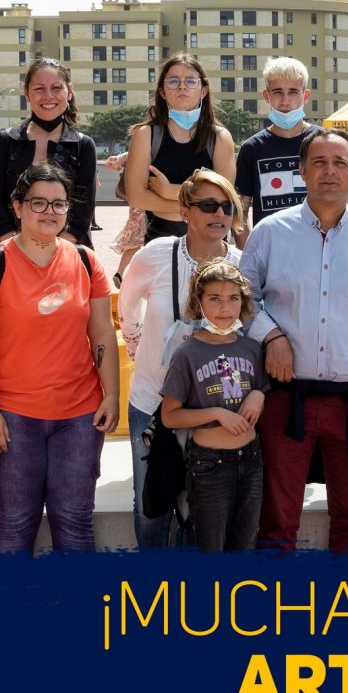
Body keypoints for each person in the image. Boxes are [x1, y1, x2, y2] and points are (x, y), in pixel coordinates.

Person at [239, 128, 348, 553]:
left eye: (339, 163)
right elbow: (242, 299)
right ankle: (274, 613)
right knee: (278, 520)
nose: (329, 172)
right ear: (302, 171)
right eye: (319, 163)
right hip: (285, 399)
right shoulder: (269, 232)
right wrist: (272, 334)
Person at [0, 163, 119, 553]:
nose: (50, 212)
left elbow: (101, 333)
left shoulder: (84, 261)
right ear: (17, 207)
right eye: (39, 203)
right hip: (14, 417)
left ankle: (77, 612)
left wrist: (111, 395)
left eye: (59, 204)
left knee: (76, 523)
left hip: (80, 416)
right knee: (16, 525)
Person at [118, 169, 244, 548]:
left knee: (202, 512)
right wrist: (144, 351)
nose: (219, 213)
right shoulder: (155, 254)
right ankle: (154, 595)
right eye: (207, 205)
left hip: (211, 410)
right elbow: (127, 308)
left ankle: (194, 597)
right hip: (152, 403)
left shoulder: (242, 263)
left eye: (227, 206)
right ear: (184, 211)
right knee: (151, 508)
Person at [161, 259, 267, 552]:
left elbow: (261, 389)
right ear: (199, 302)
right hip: (209, 465)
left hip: (251, 460)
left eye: (233, 298)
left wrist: (260, 394)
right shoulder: (187, 353)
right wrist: (217, 413)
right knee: (212, 551)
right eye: (215, 299)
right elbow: (170, 417)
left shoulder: (252, 348)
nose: (224, 308)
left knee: (244, 548)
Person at [0, 58, 96, 249]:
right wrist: (22, 250)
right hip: (8, 251)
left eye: (56, 88)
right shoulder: (5, 142)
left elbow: (82, 211)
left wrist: (51, 252)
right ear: (26, 92)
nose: (48, 96)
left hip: (66, 253)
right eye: (39, 89)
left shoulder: (83, 145)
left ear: (69, 91)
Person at [126, 53, 236, 245]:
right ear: (162, 91)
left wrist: (168, 191)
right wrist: (199, 205)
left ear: (203, 90)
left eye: (191, 81)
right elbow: (136, 197)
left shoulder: (219, 137)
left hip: (211, 240)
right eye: (173, 81)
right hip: (161, 238)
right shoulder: (145, 135)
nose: (182, 86)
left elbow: (224, 197)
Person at [235, 57, 318, 245]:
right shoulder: (252, 148)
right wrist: (250, 258)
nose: (285, 100)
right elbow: (240, 212)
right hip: (270, 253)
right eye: (278, 92)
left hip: (320, 253)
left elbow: (343, 204)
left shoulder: (323, 142)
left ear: (305, 96)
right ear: (266, 96)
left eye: (293, 92)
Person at [106, 151, 145, 288]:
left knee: (134, 242)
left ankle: (120, 272)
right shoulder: (160, 150)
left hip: (136, 202)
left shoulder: (135, 152)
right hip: (156, 201)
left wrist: (119, 159)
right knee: (154, 239)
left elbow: (112, 163)